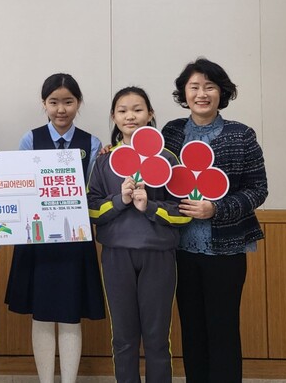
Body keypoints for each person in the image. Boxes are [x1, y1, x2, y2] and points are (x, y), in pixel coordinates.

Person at [162, 58, 268, 383]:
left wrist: (217, 209)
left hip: (227, 251)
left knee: (223, 329)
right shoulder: (171, 132)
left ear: (222, 92)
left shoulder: (241, 135)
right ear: (184, 93)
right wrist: (112, 154)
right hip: (180, 250)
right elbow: (154, 172)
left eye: (209, 87)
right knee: (192, 329)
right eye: (194, 87)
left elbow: (258, 189)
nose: (201, 94)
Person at [5, 73, 105, 383]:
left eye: (68, 102)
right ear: (44, 104)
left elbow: (93, 192)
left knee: (71, 313)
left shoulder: (93, 143)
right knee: (42, 312)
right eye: (53, 102)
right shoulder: (30, 139)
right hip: (37, 239)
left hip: (76, 239)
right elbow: (22, 186)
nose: (61, 109)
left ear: (78, 103)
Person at [87, 86, 191, 383]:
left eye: (137, 109)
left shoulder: (168, 159)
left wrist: (150, 207)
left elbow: (183, 212)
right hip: (116, 256)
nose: (130, 116)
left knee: (157, 338)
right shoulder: (104, 160)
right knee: (123, 337)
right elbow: (91, 210)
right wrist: (119, 200)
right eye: (122, 110)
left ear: (150, 114)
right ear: (113, 117)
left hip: (158, 256)